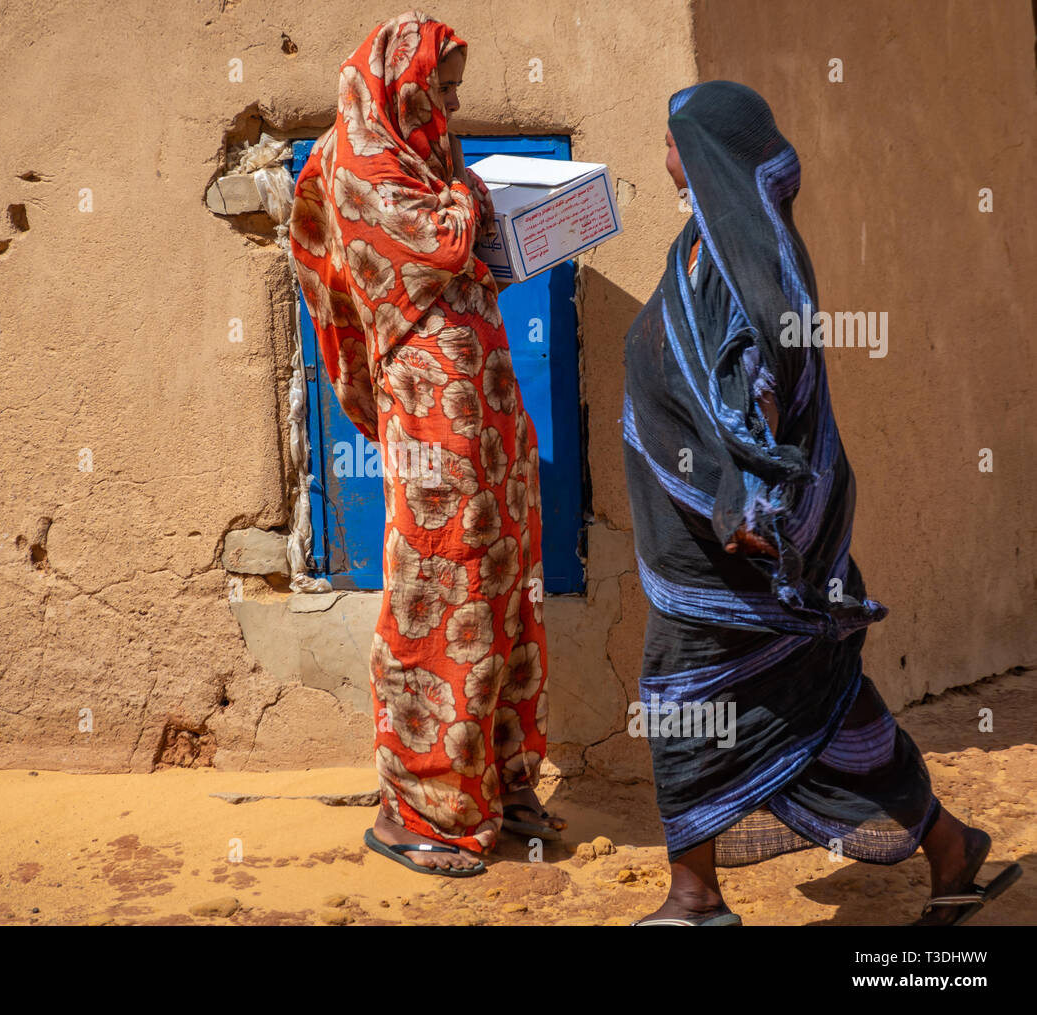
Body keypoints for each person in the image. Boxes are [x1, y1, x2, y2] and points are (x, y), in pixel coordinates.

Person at [621, 80, 1021, 925]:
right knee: (820, 707)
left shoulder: (754, 265)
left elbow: (760, 383)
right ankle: (949, 846)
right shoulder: (701, 247)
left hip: (747, 549)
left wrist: (756, 510)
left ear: (707, 153)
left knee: (702, 693)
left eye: (671, 141)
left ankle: (695, 895)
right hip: (697, 547)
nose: (663, 157)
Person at [288, 10, 565, 876]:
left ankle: (495, 778)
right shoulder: (359, 162)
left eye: (451, 92)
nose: (447, 107)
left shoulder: (421, 159)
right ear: (396, 85)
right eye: (437, 90)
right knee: (441, 590)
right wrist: (485, 197)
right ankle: (418, 807)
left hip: (484, 416)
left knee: (504, 582)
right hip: (431, 428)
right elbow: (438, 241)